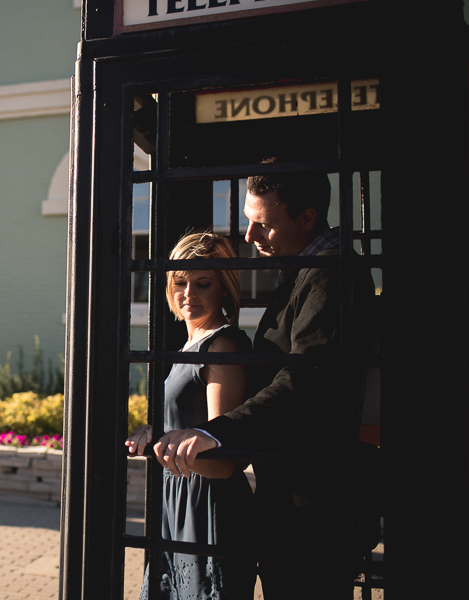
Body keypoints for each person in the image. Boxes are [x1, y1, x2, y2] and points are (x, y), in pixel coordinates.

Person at [157, 159, 375, 600]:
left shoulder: (331, 275)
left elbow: (303, 380)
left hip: (314, 506)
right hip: (293, 502)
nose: (250, 238)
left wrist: (213, 432)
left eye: (263, 225)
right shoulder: (305, 271)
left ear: (307, 218)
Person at [126, 231, 255, 600]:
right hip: (178, 497)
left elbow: (223, 462)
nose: (189, 294)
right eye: (180, 283)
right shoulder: (189, 344)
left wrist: (163, 445)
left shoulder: (223, 345)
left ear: (224, 289)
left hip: (208, 505)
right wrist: (154, 433)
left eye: (203, 284)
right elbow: (185, 425)